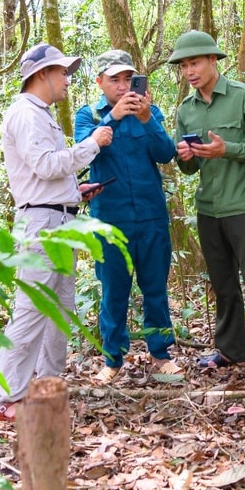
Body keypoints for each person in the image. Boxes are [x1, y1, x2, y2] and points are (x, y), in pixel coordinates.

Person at [0, 42, 113, 421]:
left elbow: (45, 174)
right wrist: (91, 145)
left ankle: (46, 384)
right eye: (62, 72)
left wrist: (72, 191)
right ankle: (7, 395)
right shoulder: (25, 114)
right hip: (41, 224)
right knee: (31, 307)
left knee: (60, 306)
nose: (67, 79)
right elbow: (45, 165)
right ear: (42, 75)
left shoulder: (41, 114)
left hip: (58, 218)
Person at [169, 30, 245, 388]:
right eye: (184, 65)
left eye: (196, 62)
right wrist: (185, 156)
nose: (190, 71)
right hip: (209, 209)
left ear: (213, 61)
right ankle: (229, 348)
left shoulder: (244, 96)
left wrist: (227, 149)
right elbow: (188, 168)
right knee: (223, 284)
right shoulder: (186, 110)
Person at [74, 50, 179, 384]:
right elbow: (83, 153)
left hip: (151, 217)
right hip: (110, 220)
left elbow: (166, 154)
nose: (122, 87)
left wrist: (147, 119)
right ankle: (113, 359)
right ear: (100, 82)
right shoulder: (88, 115)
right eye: (114, 80)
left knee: (155, 288)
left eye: (127, 79)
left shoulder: (151, 113)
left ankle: (160, 354)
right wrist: (114, 118)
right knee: (113, 290)